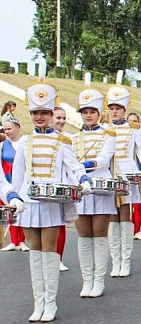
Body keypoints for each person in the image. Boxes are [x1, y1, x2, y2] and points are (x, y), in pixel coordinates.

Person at [12, 72, 92, 321]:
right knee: (34, 253)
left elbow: (75, 166)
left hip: (51, 201)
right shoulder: (24, 142)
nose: (39, 117)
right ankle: (38, 303)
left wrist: (84, 180)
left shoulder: (62, 141)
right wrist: (15, 198)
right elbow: (17, 176)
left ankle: (51, 302)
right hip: (30, 201)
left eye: (44, 113)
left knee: (49, 252)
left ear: (50, 114)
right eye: (35, 113)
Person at [72, 80, 117, 298]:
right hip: (81, 187)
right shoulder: (72, 138)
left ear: (99, 113)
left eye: (92, 111)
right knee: (83, 234)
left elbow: (103, 159)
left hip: (100, 186)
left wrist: (82, 165)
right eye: (85, 112)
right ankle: (86, 280)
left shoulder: (108, 135)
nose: (88, 115)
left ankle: (99, 280)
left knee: (99, 234)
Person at [106, 73, 141, 277]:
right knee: (111, 219)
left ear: (124, 110)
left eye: (118, 108)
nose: (114, 112)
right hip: (108, 174)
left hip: (128, 174)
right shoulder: (103, 129)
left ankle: (125, 261)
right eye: (112, 108)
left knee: (125, 217)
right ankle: (115, 261)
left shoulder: (132, 129)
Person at [1, 117, 29, 252]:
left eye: (9, 128)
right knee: (10, 211)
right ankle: (13, 241)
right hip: (7, 181)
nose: (7, 132)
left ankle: (22, 241)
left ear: (18, 127)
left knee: (21, 209)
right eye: (5, 129)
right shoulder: (2, 145)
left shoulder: (25, 143)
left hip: (22, 181)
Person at [52, 107, 71, 270]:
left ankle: (58, 258)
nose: (61, 121)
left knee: (60, 223)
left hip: (62, 186)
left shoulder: (67, 139)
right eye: (58, 117)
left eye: (64, 118)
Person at [127, 112, 141, 241]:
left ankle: (137, 230)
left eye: (135, 120)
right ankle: (127, 228)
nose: (132, 123)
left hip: (138, 172)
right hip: (125, 172)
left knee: (138, 200)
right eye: (130, 121)